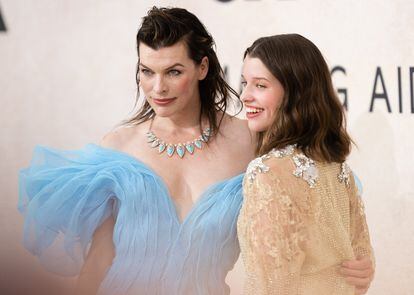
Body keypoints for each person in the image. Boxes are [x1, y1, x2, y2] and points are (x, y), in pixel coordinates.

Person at [18, 7, 373, 295]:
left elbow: (315, 205)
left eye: (173, 71)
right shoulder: (119, 145)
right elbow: (98, 261)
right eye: (146, 72)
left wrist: (357, 264)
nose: (157, 88)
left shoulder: (251, 143)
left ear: (202, 67)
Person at [237, 34, 375, 295]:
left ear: (295, 92)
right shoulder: (339, 170)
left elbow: (270, 288)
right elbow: (361, 272)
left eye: (260, 86)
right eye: (245, 83)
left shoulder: (267, 172)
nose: (245, 95)